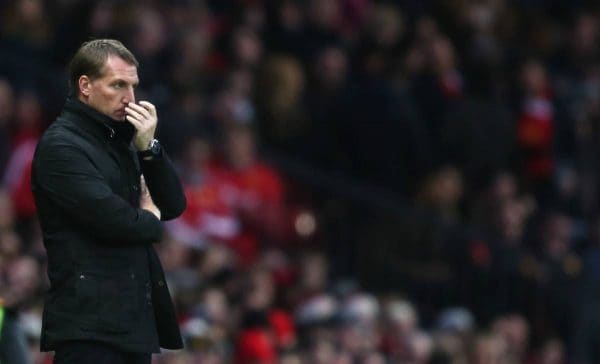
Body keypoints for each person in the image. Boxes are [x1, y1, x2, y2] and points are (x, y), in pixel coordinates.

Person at [31, 39, 187, 363]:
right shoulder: (61, 146)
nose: (130, 98)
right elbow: (116, 222)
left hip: (130, 327)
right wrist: (148, 217)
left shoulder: (122, 141)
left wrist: (150, 149)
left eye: (133, 86)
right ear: (85, 86)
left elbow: (173, 205)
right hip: (88, 329)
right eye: (118, 85)